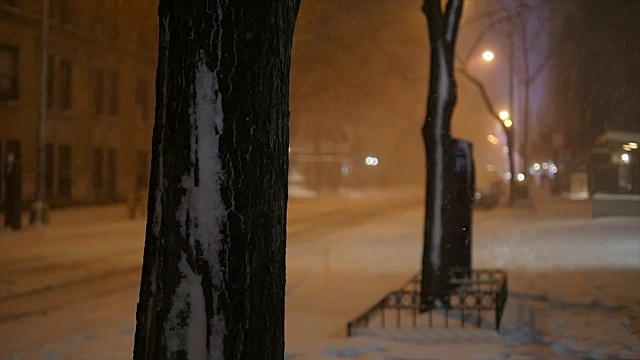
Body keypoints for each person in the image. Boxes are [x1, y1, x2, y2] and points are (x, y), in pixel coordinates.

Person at [4, 152, 23, 230]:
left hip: (15, 190)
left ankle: (15, 224)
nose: (9, 158)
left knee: (15, 207)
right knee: (9, 207)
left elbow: (17, 178)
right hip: (8, 190)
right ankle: (8, 223)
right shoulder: (6, 166)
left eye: (11, 156)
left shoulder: (17, 166)